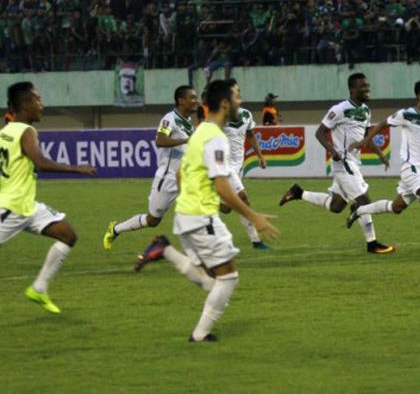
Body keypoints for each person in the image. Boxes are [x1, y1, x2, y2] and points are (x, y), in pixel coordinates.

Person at [133, 79, 279, 342]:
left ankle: (164, 249)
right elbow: (223, 186)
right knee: (229, 278)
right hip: (201, 218)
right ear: (224, 103)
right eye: (237, 96)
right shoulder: (215, 138)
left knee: (210, 279)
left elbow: (180, 175)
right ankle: (200, 335)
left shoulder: (199, 133)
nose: (240, 101)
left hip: (186, 215)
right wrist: (253, 215)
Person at [0, 81, 96, 313]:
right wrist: (77, 169)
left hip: (27, 206)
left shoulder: (6, 130)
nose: (42, 105)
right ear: (25, 104)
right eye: (38, 100)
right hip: (11, 207)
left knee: (67, 235)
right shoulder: (26, 131)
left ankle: (39, 288)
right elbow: (41, 164)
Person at [278, 73, 395, 254]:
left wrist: (380, 154)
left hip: (354, 162)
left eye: (367, 86)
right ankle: (372, 243)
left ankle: (298, 193)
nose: (367, 89)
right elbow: (320, 132)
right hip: (343, 163)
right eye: (363, 87)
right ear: (352, 89)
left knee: (336, 206)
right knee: (364, 200)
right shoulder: (340, 109)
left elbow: (365, 136)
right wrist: (333, 151)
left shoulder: (365, 110)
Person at [346, 80, 420, 255]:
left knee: (396, 207)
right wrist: (365, 141)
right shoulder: (407, 114)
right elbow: (382, 124)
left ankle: (359, 210)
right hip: (411, 169)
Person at [102, 85, 198, 249]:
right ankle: (116, 229)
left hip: (185, 177)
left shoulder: (189, 122)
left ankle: (201, 252)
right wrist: (185, 141)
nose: (196, 101)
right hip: (168, 179)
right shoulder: (170, 119)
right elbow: (160, 141)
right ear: (181, 101)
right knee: (152, 220)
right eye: (192, 98)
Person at [222, 78, 271, 250]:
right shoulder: (219, 116)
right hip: (225, 166)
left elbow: (250, 134)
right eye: (235, 93)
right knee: (244, 199)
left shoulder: (246, 114)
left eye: (239, 93)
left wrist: (260, 155)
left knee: (228, 207)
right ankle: (256, 240)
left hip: (238, 165)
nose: (239, 96)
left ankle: (204, 201)